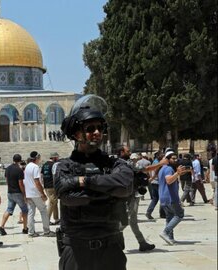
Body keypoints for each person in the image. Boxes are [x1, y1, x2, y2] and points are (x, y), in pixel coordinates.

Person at [54, 95, 134, 270]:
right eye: (90, 128)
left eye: (100, 128)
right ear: (76, 134)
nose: (97, 133)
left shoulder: (114, 163)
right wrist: (108, 191)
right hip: (77, 250)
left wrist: (84, 181)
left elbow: (125, 186)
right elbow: (68, 196)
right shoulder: (64, 166)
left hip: (111, 248)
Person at [117, 146, 155, 252]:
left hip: (132, 194)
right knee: (127, 220)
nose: (130, 153)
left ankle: (142, 243)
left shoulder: (124, 162)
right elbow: (144, 169)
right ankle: (112, 237)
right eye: (127, 151)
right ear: (121, 152)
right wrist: (161, 164)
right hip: (128, 196)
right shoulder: (123, 163)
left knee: (133, 221)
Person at [158, 150, 188, 245]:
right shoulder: (168, 169)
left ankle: (170, 238)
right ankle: (165, 232)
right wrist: (177, 173)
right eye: (173, 158)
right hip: (170, 198)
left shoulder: (162, 169)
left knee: (169, 217)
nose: (175, 160)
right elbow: (169, 180)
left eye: (176, 158)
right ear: (167, 159)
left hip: (163, 198)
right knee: (179, 214)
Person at [24, 151, 55, 237]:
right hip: (36, 193)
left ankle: (31, 232)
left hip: (29, 193)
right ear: (37, 158)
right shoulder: (35, 167)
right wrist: (42, 194)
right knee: (43, 211)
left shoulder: (27, 167)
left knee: (31, 212)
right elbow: (37, 181)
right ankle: (46, 231)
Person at [0, 154, 28, 236]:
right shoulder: (19, 170)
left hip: (10, 192)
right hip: (18, 193)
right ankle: (25, 228)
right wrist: (24, 194)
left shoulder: (8, 169)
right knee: (25, 210)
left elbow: (7, 180)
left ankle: (1, 226)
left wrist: (10, 187)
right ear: (20, 160)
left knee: (9, 209)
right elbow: (20, 183)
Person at [42, 152, 60, 225]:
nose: (58, 159)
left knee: (54, 202)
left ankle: (56, 219)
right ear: (54, 157)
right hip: (52, 186)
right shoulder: (54, 165)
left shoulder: (45, 164)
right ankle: (46, 220)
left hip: (46, 186)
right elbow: (55, 175)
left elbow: (42, 175)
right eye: (57, 157)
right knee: (52, 203)